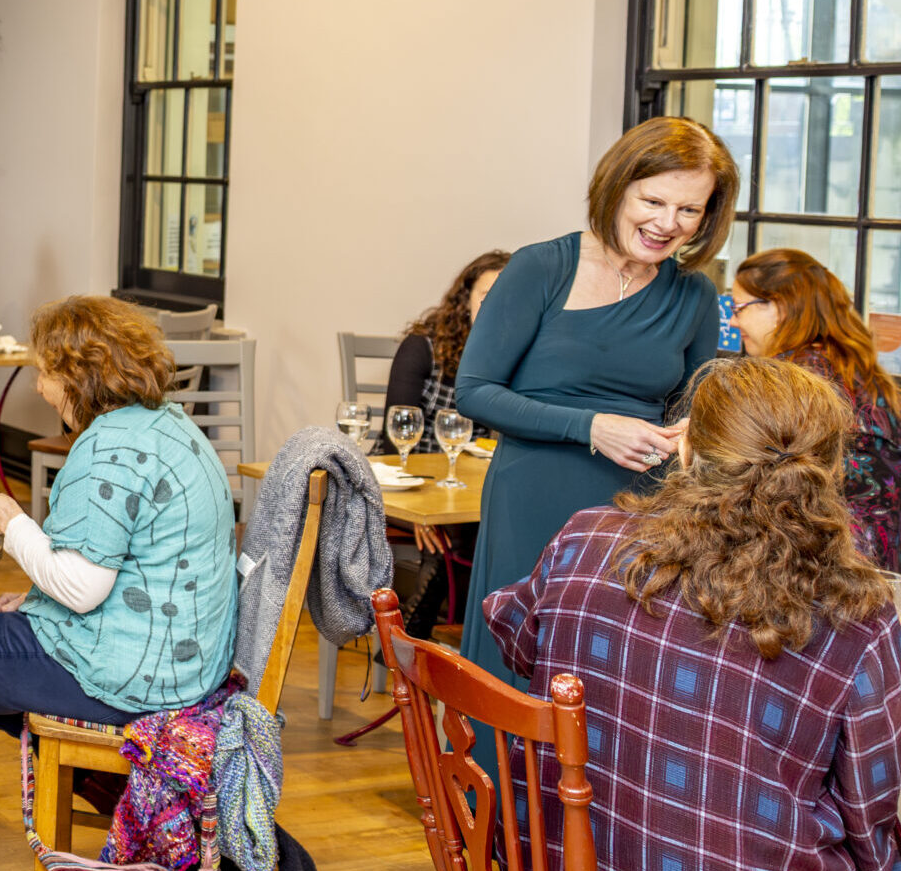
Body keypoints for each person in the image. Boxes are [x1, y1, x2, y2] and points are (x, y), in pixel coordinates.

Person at [485, 356, 901, 871]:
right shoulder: (860, 617)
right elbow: (879, 833)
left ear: (687, 448)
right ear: (830, 473)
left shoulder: (586, 538)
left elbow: (518, 636)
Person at [0, 295, 237, 871]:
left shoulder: (106, 450)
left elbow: (81, 588)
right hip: (183, 659)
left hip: (132, 676)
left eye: (47, 372)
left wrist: (10, 518)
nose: (42, 387)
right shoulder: (172, 427)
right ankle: (109, 784)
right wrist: (36, 595)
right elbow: (128, 563)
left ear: (80, 374)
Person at [454, 116, 733, 699]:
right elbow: (475, 392)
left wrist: (692, 432)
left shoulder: (696, 295)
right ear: (618, 186)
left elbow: (697, 410)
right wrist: (591, 427)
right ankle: (504, 791)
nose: (667, 223)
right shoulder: (541, 268)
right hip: (532, 495)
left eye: (689, 210)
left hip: (640, 507)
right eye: (653, 200)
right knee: (521, 663)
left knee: (612, 674)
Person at [729, 246, 901, 571]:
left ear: (780, 305)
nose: (733, 321)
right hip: (879, 557)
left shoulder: (789, 378)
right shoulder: (860, 371)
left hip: (820, 559)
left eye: (740, 308)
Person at [383, 249, 511, 639]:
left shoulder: (512, 356)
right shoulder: (423, 347)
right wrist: (424, 508)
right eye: (488, 294)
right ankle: (413, 644)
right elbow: (397, 434)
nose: (497, 305)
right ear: (465, 298)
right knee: (449, 536)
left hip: (467, 493)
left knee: (489, 531)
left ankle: (437, 645)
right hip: (404, 484)